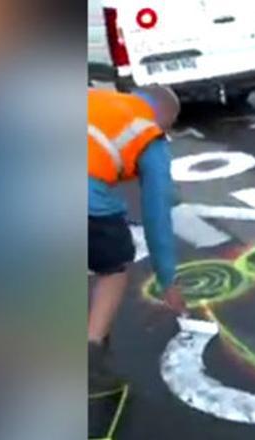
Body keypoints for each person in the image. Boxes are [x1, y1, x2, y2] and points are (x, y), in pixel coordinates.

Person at [88, 85, 187, 391]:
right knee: (114, 266)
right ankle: (90, 353)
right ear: (164, 118)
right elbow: (157, 215)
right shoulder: (148, 133)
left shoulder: (97, 98)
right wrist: (167, 280)